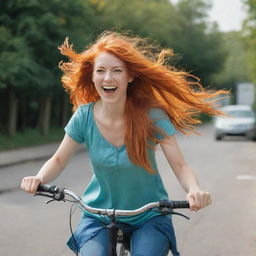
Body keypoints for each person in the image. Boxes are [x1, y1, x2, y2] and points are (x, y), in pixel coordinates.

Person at [21, 31, 227, 256]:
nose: (108, 78)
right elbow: (59, 160)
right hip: (98, 215)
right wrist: (39, 178)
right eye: (101, 71)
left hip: (149, 215)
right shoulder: (84, 116)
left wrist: (194, 190)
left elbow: (180, 166)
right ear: (92, 76)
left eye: (117, 70)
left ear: (130, 76)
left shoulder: (152, 116)